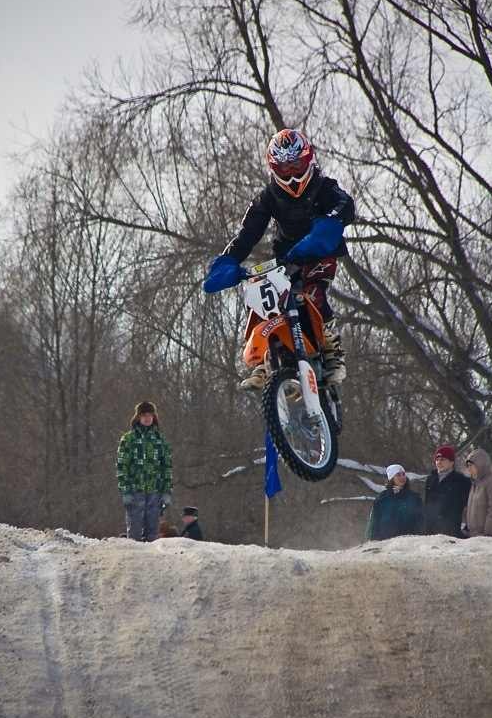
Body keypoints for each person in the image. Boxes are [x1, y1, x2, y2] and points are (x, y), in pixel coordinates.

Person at [203, 128, 355, 389]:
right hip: (286, 256)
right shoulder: (267, 197)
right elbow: (247, 233)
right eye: (285, 168)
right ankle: (263, 362)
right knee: (262, 296)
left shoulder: (324, 186)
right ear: (275, 168)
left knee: (313, 291)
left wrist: (329, 224)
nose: (292, 173)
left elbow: (345, 205)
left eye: (296, 164)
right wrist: (228, 262)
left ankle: (333, 351)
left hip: (321, 251)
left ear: (307, 161)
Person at [116, 401, 173, 542]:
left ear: (154, 417)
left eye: (150, 415)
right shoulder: (129, 439)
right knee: (134, 531)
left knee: (153, 533)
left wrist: (167, 491)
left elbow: (167, 467)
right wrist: (125, 491)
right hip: (135, 490)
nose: (147, 418)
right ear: (138, 417)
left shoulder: (160, 440)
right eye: (144, 415)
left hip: (155, 491)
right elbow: (122, 466)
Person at [366, 464, 424, 540]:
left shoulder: (414, 498)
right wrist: (372, 539)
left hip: (409, 541)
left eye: (403, 474)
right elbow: (374, 522)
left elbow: (421, 520)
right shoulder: (382, 498)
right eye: (398, 475)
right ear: (391, 478)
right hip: (385, 542)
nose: (402, 477)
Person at [424, 445, 471, 537]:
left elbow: (469, 506)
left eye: (443, 459)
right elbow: (426, 504)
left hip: (451, 530)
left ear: (451, 462)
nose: (439, 462)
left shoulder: (461, 480)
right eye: (437, 459)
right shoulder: (430, 479)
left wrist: (467, 526)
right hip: (431, 530)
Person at [465, 448, 492, 537]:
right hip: (473, 536)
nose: (469, 469)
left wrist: (488, 533)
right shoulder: (475, 483)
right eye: (467, 466)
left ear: (481, 465)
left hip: (486, 537)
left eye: (471, 465)